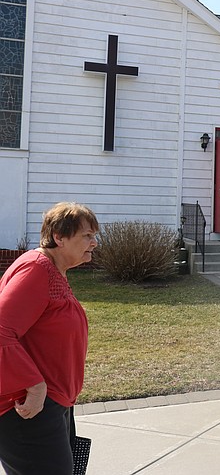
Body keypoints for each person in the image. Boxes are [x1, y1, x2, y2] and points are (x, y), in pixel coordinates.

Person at [0, 202, 99, 474]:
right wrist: (35, 387)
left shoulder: (53, 270)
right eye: (87, 236)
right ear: (59, 237)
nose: (94, 243)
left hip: (52, 405)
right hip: (28, 410)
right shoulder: (37, 269)